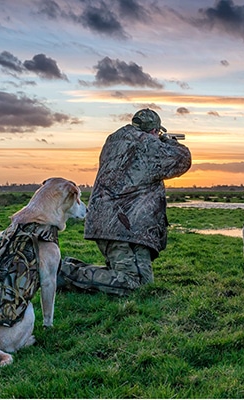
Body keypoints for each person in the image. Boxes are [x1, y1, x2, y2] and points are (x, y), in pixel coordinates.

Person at [60, 108, 191, 295]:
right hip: (124, 228)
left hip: (112, 224)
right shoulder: (145, 144)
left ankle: (70, 270)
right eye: (157, 132)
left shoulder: (114, 140)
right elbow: (182, 159)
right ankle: (64, 273)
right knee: (134, 285)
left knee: (135, 280)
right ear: (154, 131)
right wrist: (168, 140)